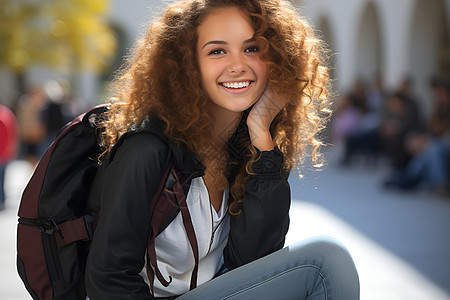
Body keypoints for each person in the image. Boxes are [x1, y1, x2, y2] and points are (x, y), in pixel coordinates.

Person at [85, 0, 360, 299]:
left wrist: (262, 137)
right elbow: (107, 278)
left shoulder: (247, 151)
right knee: (325, 262)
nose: (237, 65)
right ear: (188, 65)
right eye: (217, 51)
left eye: (252, 48)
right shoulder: (146, 151)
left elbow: (252, 266)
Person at [0, 103, 19, 210]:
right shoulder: (7, 113)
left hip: (3, 151)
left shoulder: (4, 114)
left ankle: (1, 200)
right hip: (5, 151)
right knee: (2, 178)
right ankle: (2, 200)